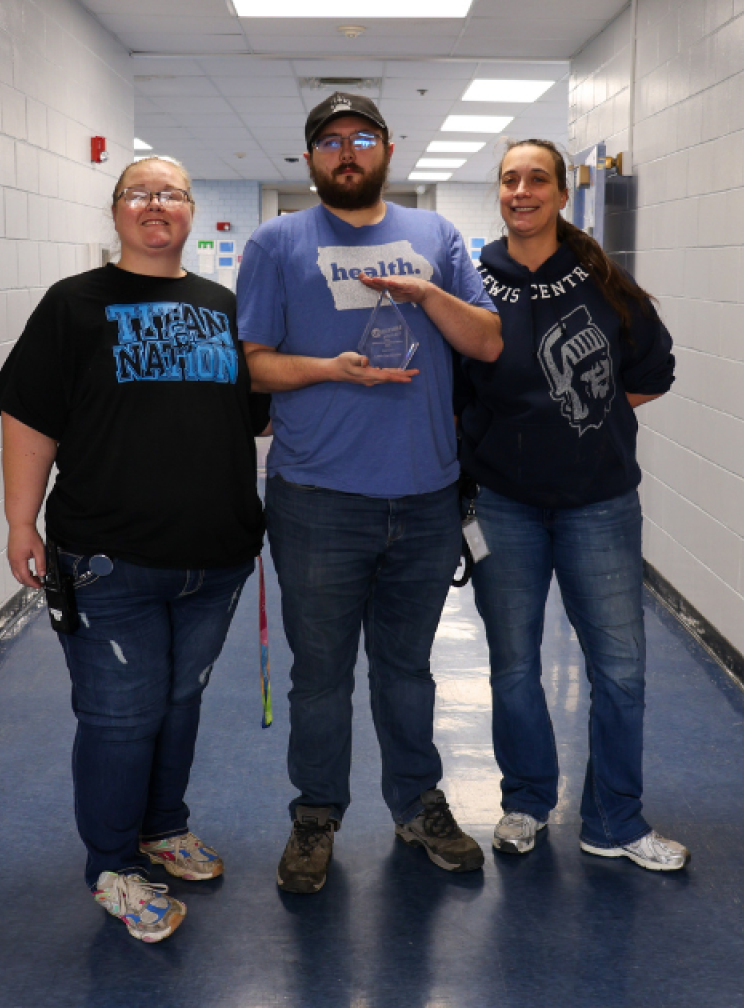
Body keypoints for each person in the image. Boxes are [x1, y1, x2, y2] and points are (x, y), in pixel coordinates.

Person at [0, 156, 266, 941]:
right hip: (108, 558)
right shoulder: (73, 305)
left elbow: (258, 416)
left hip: (215, 559)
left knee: (180, 703)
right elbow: (28, 415)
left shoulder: (222, 305)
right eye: (139, 193)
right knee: (120, 716)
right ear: (116, 212)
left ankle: (162, 828)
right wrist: (21, 520)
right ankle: (112, 865)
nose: (156, 204)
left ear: (189, 211)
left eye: (172, 193)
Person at [238, 92, 503, 893]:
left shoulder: (439, 238)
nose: (346, 152)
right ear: (311, 158)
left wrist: (426, 293)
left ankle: (417, 804)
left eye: (360, 139)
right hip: (317, 498)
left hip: (424, 497)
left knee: (407, 669)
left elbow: (486, 342)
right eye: (329, 142)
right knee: (319, 674)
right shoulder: (276, 243)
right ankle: (316, 815)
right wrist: (328, 368)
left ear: (388, 148)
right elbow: (253, 363)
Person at [456, 140, 684, 868]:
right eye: (509, 179)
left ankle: (615, 820)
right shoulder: (471, 279)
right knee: (514, 664)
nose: (522, 190)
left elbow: (654, 371)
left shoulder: (601, 279)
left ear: (560, 194)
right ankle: (525, 802)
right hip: (501, 505)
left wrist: (587, 418)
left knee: (621, 670)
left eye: (537, 179)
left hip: (599, 503)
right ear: (499, 192)